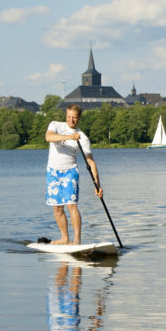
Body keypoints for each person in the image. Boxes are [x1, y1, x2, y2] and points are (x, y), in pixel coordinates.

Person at [45, 104, 102, 245]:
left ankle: (76, 241)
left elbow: (91, 162)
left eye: (74, 118)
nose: (71, 120)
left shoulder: (83, 138)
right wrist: (70, 137)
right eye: (69, 117)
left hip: (70, 172)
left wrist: (97, 185)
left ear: (79, 118)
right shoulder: (55, 125)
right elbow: (48, 137)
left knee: (71, 205)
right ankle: (65, 238)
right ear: (66, 116)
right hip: (53, 171)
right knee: (57, 207)